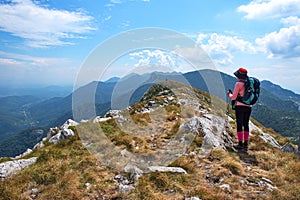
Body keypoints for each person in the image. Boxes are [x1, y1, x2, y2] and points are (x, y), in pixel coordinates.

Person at [227, 67, 252, 150]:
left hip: (240, 106)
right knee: (246, 124)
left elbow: (233, 97)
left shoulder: (238, 84)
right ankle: (246, 144)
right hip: (249, 106)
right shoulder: (249, 83)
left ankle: (240, 143)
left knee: (239, 124)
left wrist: (229, 94)